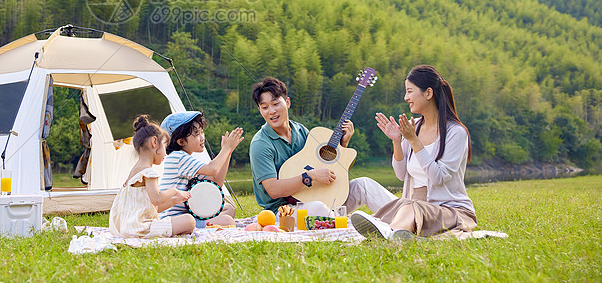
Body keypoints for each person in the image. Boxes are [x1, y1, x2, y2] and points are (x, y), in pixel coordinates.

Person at [351, 65, 476, 240]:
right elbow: (401, 174)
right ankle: (395, 234)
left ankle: (389, 233)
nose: (406, 97)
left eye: (410, 91)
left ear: (428, 93)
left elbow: (438, 178)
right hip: (414, 205)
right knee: (405, 206)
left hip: (449, 211)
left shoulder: (456, 132)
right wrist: (396, 141)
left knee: (409, 208)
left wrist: (413, 141)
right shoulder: (414, 127)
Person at [249, 77, 396, 214]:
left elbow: (324, 166)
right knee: (319, 207)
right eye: (265, 107)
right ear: (260, 110)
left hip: (320, 197)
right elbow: (273, 190)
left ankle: (406, 216)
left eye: (275, 104)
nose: (272, 111)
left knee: (364, 185)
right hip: (283, 212)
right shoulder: (260, 144)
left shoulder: (300, 130)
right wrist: (310, 176)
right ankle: (343, 223)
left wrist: (343, 143)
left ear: (287, 103)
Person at [109, 115, 196, 238]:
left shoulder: (134, 172)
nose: (165, 154)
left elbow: (151, 208)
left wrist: (174, 201)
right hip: (140, 229)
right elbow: (157, 199)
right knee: (189, 220)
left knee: (181, 221)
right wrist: (175, 191)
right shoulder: (149, 173)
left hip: (126, 228)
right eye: (165, 147)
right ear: (154, 142)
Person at [159, 111, 244, 227]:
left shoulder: (187, 159)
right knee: (228, 221)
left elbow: (215, 183)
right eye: (197, 134)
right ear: (181, 141)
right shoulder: (178, 157)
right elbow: (212, 169)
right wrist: (226, 148)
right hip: (175, 219)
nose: (202, 137)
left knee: (229, 209)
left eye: (202, 132)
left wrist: (227, 152)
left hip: (189, 214)